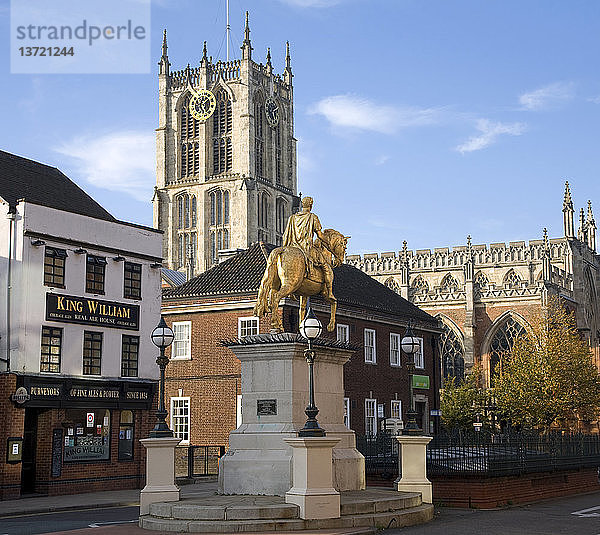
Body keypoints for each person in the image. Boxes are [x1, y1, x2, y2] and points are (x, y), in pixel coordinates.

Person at [282, 196, 331, 281]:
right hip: (306, 248)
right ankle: (329, 291)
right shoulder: (312, 217)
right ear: (311, 205)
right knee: (326, 266)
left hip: (292, 246)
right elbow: (320, 235)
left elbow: (286, 235)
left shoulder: (292, 218)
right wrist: (329, 243)